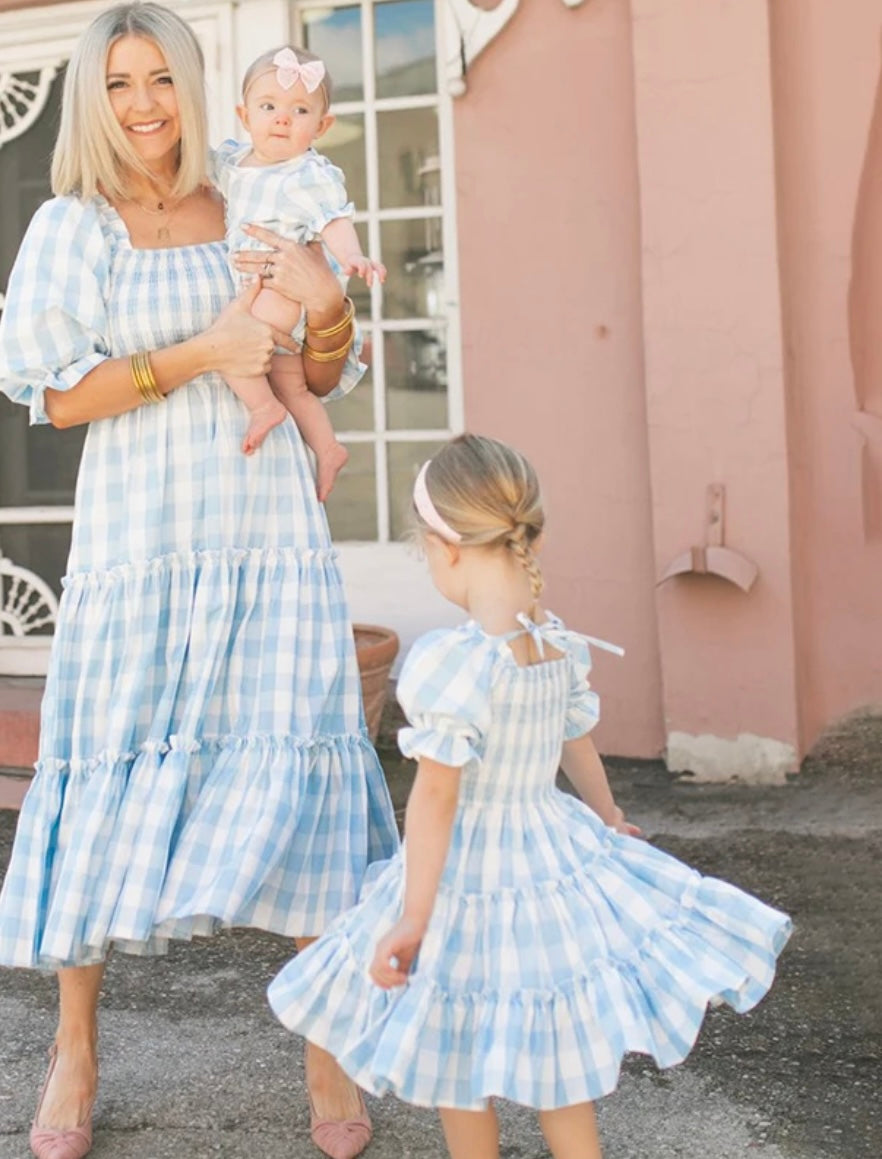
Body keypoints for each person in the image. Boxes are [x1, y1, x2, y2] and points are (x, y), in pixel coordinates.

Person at [0, 6, 399, 1159]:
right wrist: (194, 360)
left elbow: (327, 367)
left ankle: (328, 1044)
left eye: (162, 77)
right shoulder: (74, 224)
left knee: (302, 761)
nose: (146, 104)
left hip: (267, 538)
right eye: (120, 83)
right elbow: (57, 396)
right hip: (140, 546)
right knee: (106, 762)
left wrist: (325, 305)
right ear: (92, 99)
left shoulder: (254, 184)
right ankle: (74, 1047)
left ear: (197, 83)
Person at [268, 434, 793, 1159]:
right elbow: (574, 739)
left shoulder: (454, 662)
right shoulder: (552, 641)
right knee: (558, 1065)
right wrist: (607, 817)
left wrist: (413, 916)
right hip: (550, 855)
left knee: (460, 1066)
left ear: (445, 547)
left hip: (466, 879)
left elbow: (435, 800)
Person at [213, 45, 385, 500]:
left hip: (281, 285)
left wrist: (353, 256)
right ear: (244, 115)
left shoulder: (307, 173)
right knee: (293, 381)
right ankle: (327, 448)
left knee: (231, 348)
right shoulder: (234, 162)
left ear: (322, 127)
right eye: (268, 107)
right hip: (263, 283)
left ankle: (263, 407)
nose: (282, 119)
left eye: (300, 110)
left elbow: (334, 219)